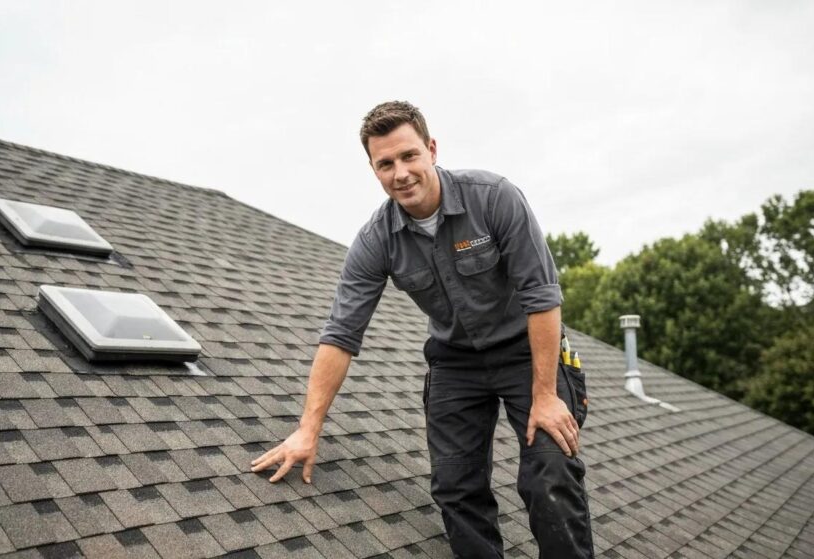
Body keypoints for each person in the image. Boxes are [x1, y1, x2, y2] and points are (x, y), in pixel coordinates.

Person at [252, 101, 594, 558]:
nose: (401, 173)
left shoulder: (493, 198)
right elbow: (341, 333)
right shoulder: (377, 240)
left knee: (549, 475)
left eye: (409, 156)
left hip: (527, 351)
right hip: (456, 362)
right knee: (456, 488)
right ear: (374, 170)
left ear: (431, 149)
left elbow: (541, 296)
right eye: (385, 164)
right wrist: (307, 428)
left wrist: (547, 394)